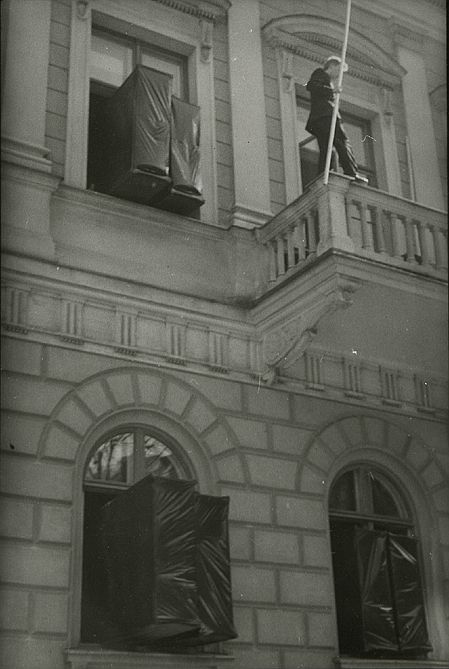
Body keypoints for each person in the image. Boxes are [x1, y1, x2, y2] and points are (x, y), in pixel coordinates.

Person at [305, 56, 368, 183]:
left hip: (320, 118)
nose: (339, 75)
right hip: (326, 116)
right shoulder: (320, 73)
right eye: (338, 70)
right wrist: (332, 90)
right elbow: (312, 86)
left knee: (327, 147)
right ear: (332, 66)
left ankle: (323, 173)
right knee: (342, 141)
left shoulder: (325, 79)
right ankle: (351, 172)